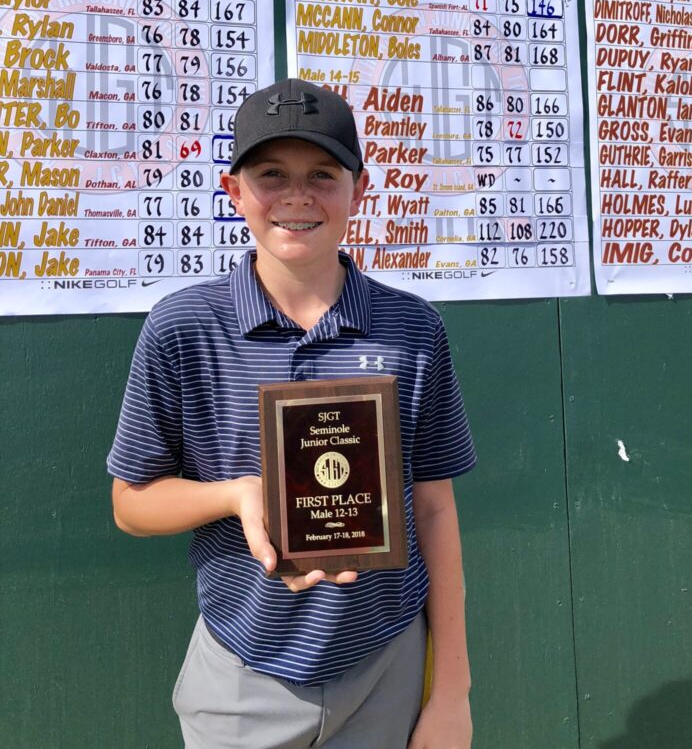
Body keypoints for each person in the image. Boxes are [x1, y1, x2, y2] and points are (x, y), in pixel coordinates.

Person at [108, 78, 476, 749]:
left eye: (322, 175)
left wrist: (451, 691)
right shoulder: (182, 327)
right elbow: (131, 502)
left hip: (385, 662)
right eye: (271, 174)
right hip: (244, 672)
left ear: (358, 191)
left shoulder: (413, 327)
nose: (297, 196)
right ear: (234, 191)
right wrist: (236, 494)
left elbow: (434, 509)